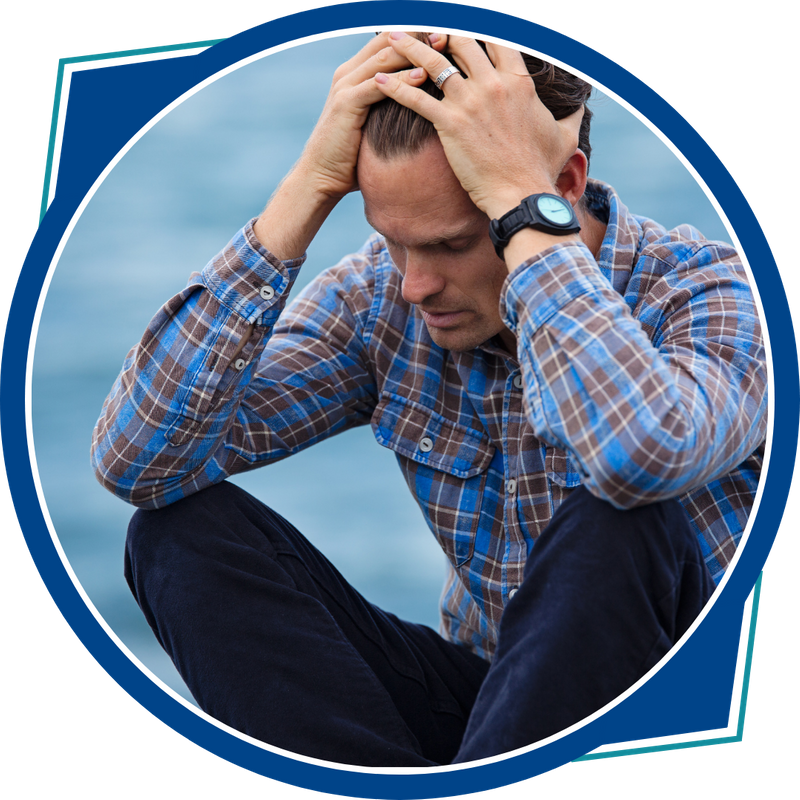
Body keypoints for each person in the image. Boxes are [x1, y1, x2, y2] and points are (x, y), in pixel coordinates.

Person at [91, 32, 767, 766]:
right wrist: (306, 190)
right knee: (176, 535)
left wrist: (521, 209)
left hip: (677, 706)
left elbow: (639, 453)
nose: (414, 284)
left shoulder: (715, 292)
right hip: (501, 713)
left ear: (562, 189)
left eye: (449, 246)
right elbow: (138, 463)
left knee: (622, 517)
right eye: (391, 241)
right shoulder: (383, 301)